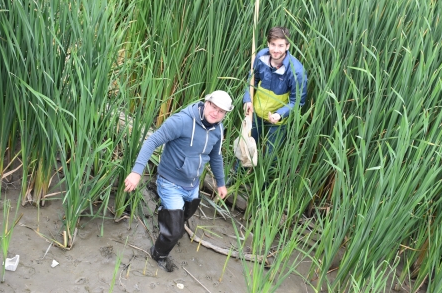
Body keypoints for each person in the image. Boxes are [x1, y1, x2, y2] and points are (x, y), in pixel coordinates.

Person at [124, 90, 233, 272]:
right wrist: (136, 172)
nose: (215, 112)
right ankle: (158, 253)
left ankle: (166, 211)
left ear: (225, 114)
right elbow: (152, 142)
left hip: (193, 183)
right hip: (170, 181)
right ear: (206, 102)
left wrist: (220, 183)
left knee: (186, 214)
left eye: (221, 111)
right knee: (175, 231)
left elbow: (216, 156)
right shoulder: (182, 121)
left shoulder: (218, 129)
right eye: (213, 106)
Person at [243, 26, 307, 154]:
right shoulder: (261, 56)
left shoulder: (297, 71)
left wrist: (280, 114)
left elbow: (297, 101)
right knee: (247, 146)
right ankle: (239, 172)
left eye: (280, 46)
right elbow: (251, 80)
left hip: (278, 119)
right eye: (273, 44)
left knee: (271, 154)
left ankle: (265, 173)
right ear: (268, 44)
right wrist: (247, 99)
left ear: (287, 46)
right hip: (256, 111)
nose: (276, 50)